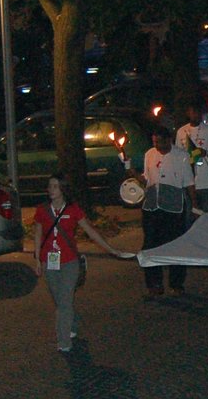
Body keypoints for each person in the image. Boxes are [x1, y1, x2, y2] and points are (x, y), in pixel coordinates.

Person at [34, 173, 131, 352]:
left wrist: (112, 250)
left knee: (64, 301)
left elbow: (90, 231)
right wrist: (38, 257)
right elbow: (38, 233)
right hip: (50, 261)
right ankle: (72, 323)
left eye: (55, 186)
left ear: (63, 189)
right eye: (49, 186)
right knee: (61, 301)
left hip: (70, 261)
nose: (51, 190)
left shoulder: (73, 209)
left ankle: (63, 341)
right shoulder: (42, 210)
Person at [141, 127, 194, 299]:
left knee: (174, 245)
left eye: (160, 142)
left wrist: (193, 207)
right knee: (150, 245)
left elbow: (188, 183)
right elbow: (147, 179)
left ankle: (176, 283)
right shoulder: (149, 154)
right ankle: (154, 284)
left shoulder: (182, 156)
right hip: (151, 207)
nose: (156, 145)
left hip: (173, 208)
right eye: (154, 142)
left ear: (169, 140)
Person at [177, 103, 208, 214]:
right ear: (188, 113)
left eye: (197, 112)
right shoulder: (181, 132)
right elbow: (178, 154)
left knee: (206, 211)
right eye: (192, 112)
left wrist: (205, 152)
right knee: (190, 212)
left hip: (205, 179)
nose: (195, 115)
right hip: (188, 180)